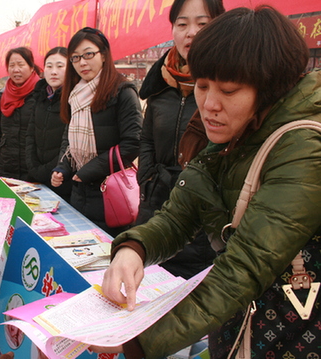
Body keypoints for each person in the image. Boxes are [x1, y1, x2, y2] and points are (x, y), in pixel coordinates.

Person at [97, 6, 320, 359]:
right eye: (201, 85)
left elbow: (243, 267)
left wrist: (135, 341)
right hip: (241, 329)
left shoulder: (305, 148)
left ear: (270, 90)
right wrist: (133, 248)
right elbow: (178, 215)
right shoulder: (227, 133)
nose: (209, 104)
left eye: (229, 90)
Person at [135, 0, 224, 279]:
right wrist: (148, 178)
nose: (191, 32)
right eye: (182, 24)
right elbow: (146, 138)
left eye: (202, 23)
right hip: (156, 203)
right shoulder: (160, 83)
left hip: (202, 213)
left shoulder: (229, 84)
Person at [51, 27, 142, 237]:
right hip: (79, 192)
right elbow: (69, 138)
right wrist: (63, 167)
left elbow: (133, 143)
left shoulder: (123, 92)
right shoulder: (75, 94)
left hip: (111, 192)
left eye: (88, 54)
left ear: (103, 55)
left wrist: (87, 171)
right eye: (75, 58)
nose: (82, 62)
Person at [26, 46, 72, 202]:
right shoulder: (40, 96)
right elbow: (30, 134)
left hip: (61, 178)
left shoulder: (74, 99)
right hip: (36, 177)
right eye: (49, 66)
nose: (53, 72)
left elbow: (69, 144)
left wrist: (48, 170)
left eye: (60, 66)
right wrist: (33, 167)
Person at [0, 47, 41, 180]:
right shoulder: (2, 95)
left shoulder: (42, 94)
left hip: (32, 168)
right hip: (5, 165)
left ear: (31, 67)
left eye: (21, 65)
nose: (16, 69)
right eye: (11, 65)